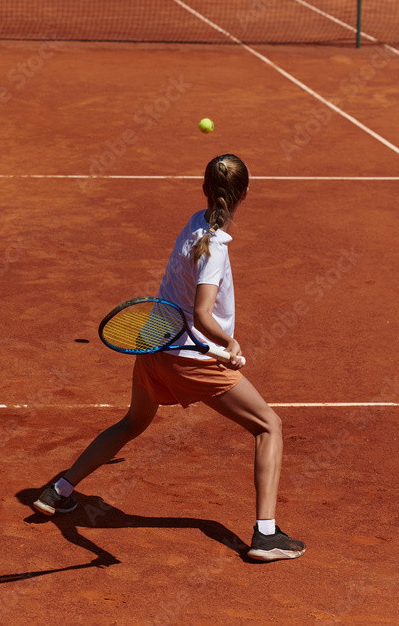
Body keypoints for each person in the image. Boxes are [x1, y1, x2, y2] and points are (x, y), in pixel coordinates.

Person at [33, 153, 305, 561]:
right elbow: (201, 312)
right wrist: (228, 345)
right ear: (245, 193)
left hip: (154, 345)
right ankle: (266, 535)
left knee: (132, 422)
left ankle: (60, 490)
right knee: (269, 426)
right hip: (192, 359)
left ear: (205, 191)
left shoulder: (195, 223)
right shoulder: (214, 247)